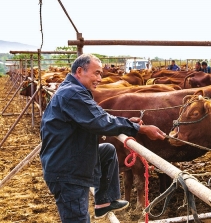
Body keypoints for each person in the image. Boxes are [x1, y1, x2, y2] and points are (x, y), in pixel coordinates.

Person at [40, 53, 166, 222]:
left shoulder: (72, 90)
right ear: (80, 71)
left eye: (101, 74)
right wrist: (139, 129)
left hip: (67, 155)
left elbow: (98, 116)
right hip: (67, 170)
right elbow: (100, 121)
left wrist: (126, 122)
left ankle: (104, 201)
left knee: (107, 150)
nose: (100, 78)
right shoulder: (73, 94)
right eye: (97, 73)